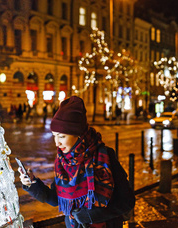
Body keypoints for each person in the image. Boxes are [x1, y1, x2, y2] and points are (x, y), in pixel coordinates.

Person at [18, 96, 126, 228]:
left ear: (78, 134)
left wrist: (91, 215)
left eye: (62, 136)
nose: (57, 142)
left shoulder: (104, 155)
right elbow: (55, 199)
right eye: (54, 136)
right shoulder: (63, 162)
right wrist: (32, 183)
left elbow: (126, 202)